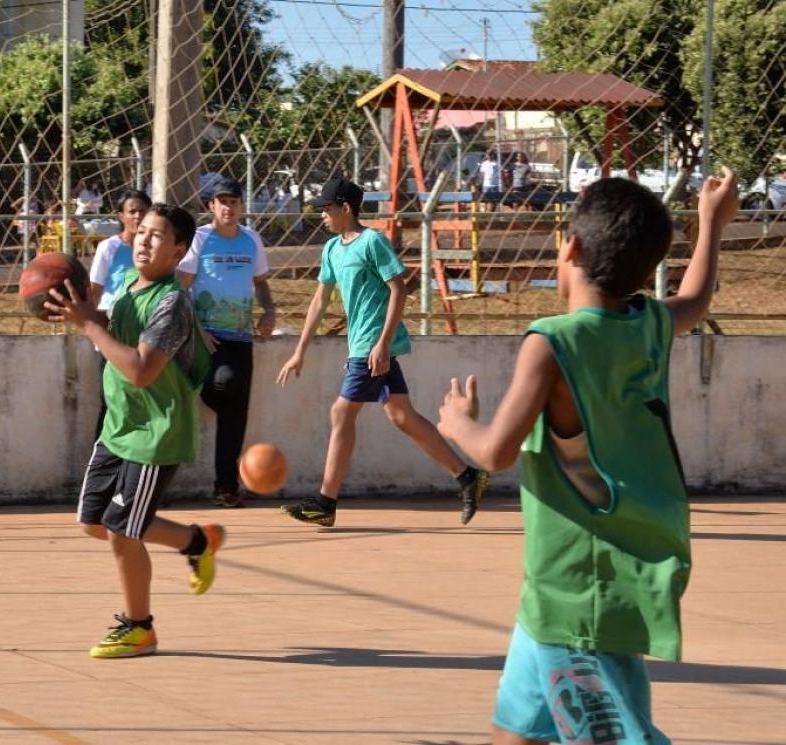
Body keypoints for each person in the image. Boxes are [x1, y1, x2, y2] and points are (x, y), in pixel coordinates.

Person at [437, 170, 739, 745]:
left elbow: (496, 451)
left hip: (584, 592)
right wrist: (711, 224)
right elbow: (696, 301)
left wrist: (458, 425)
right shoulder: (647, 325)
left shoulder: (553, 342)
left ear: (570, 247)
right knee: (514, 733)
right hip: (553, 591)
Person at [44, 203, 224, 659]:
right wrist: (81, 312)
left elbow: (142, 370)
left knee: (123, 530)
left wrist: (90, 327)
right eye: (141, 230)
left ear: (179, 251)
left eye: (157, 235)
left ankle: (140, 628)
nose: (144, 239)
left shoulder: (172, 303)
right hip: (119, 425)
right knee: (94, 522)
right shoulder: (128, 284)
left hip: (155, 431)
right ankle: (196, 541)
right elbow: (117, 332)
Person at [276, 177, 490, 527]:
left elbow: (399, 289)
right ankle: (467, 477)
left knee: (341, 412)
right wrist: (299, 351)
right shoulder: (331, 249)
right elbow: (319, 301)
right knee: (402, 416)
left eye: (327, 209)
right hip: (364, 345)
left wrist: (383, 344)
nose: (322, 216)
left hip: (371, 345)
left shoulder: (372, 242)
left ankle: (325, 502)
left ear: (346, 208)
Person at [176, 177, 276, 508]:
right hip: (208, 337)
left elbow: (260, 282)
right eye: (222, 202)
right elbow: (181, 286)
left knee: (236, 413)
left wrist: (269, 310)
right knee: (224, 385)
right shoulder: (200, 238)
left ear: (241, 206)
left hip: (242, 336)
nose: (229, 208)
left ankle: (226, 487)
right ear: (211, 206)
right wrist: (196, 330)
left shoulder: (251, 239)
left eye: (234, 201)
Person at [88, 189, 152, 436]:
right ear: (121, 216)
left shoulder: (153, 248)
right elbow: (95, 290)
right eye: (132, 211)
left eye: (143, 211)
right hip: (114, 334)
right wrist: (93, 329)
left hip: (145, 336)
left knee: (142, 402)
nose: (137, 216)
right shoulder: (110, 247)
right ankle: (102, 452)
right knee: (111, 400)